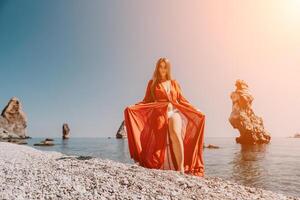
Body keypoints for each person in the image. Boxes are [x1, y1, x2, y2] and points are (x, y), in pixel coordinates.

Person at [124, 57, 205, 176]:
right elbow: (146, 100)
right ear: (157, 68)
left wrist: (195, 109)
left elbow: (181, 100)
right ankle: (157, 164)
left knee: (175, 133)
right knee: (157, 140)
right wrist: (133, 107)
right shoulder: (152, 83)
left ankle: (181, 168)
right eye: (160, 67)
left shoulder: (174, 83)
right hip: (159, 114)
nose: (163, 69)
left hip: (174, 111)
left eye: (165, 67)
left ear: (168, 68)